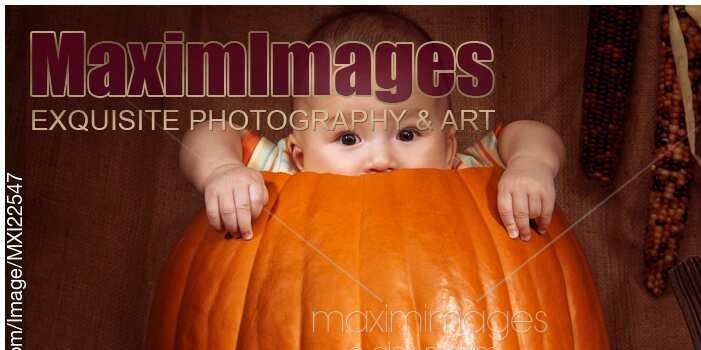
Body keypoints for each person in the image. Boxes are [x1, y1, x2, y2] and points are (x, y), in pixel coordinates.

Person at [180, 9, 564, 243]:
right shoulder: (282, 177)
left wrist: (530, 164)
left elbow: (527, 131)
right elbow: (211, 132)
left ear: (448, 147)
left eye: (408, 134)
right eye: (348, 138)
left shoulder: (464, 176)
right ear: (299, 154)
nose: (381, 157)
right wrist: (223, 170)